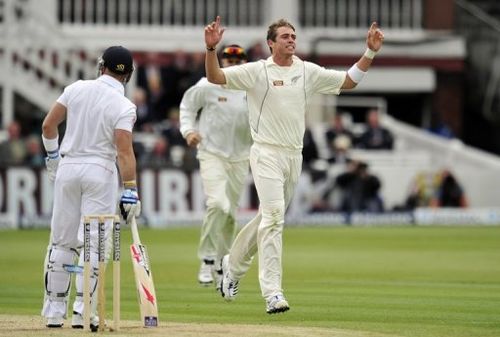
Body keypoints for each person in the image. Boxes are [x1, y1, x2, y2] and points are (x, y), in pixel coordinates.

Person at [204, 16, 384, 313]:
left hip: (293, 155)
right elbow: (216, 78)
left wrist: (371, 52)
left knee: (267, 219)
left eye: (293, 36)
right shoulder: (257, 71)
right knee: (275, 219)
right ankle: (273, 293)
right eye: (285, 36)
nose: (291, 39)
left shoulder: (307, 71)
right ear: (271, 42)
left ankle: (232, 268)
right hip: (265, 153)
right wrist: (211, 50)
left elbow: (349, 80)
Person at [40, 46, 141, 329]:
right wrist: (130, 190)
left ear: (101, 66)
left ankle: (53, 312)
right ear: (129, 75)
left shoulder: (75, 88)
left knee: (62, 242)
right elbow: (124, 152)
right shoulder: (124, 106)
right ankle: (83, 312)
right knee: (93, 245)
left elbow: (49, 126)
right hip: (100, 171)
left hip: (68, 169)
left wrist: (52, 160)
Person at [179, 44, 252, 289]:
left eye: (238, 61)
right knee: (217, 204)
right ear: (222, 62)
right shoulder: (207, 85)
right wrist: (188, 131)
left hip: (240, 157)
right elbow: (187, 107)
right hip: (212, 153)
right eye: (229, 61)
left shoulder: (251, 88)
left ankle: (223, 263)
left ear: (245, 63)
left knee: (230, 214)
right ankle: (206, 260)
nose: (234, 65)